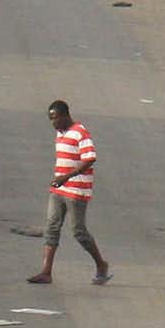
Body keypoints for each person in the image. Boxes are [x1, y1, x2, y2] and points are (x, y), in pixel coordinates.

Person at [30, 100, 109, 286]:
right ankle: (46, 271)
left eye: (56, 118)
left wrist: (67, 176)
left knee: (78, 231)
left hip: (77, 189)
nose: (53, 123)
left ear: (66, 115)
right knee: (52, 226)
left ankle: (101, 264)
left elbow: (90, 158)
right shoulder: (60, 134)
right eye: (51, 120)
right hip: (59, 188)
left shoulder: (80, 132)